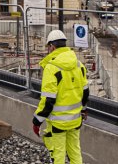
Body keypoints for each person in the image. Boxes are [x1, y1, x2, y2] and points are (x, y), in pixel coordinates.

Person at [32, 30, 89, 164]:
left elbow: (48, 100)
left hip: (58, 123)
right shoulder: (79, 65)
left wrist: (37, 121)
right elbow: (85, 92)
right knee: (75, 153)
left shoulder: (51, 68)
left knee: (58, 155)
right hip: (75, 120)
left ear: (52, 46)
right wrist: (84, 110)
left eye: (48, 47)